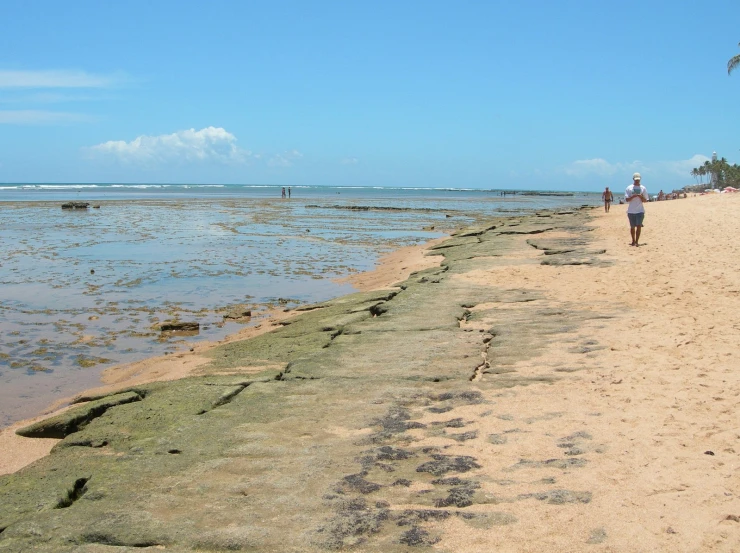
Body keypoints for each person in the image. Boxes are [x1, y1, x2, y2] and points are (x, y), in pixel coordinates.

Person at [625, 172, 648, 246]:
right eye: (636, 180)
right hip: (631, 211)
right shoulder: (629, 188)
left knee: (638, 226)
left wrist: (641, 196)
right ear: (633, 179)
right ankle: (633, 240)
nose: (637, 181)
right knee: (632, 227)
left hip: (640, 211)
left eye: (638, 180)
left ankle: (637, 241)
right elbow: (627, 199)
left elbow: (645, 200)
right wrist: (633, 196)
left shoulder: (643, 188)